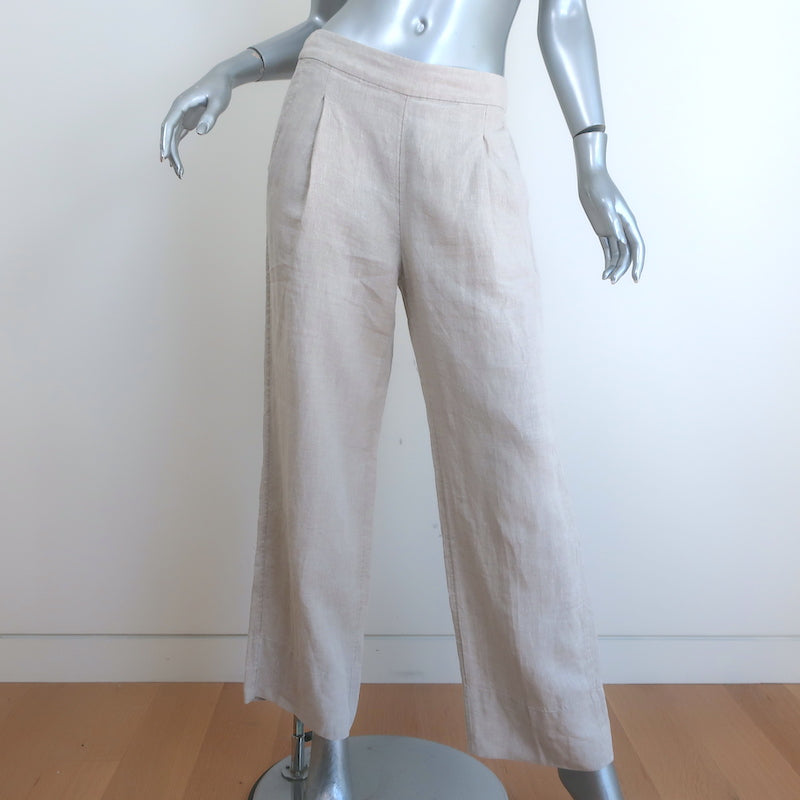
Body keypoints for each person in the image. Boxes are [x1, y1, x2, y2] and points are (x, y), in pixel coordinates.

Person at [161, 3, 644, 798]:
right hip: (336, 104)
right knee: (318, 435)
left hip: (466, 126)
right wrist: (234, 69)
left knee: (513, 451)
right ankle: (325, 742)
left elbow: (564, 11)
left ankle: (578, 745)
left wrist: (592, 158)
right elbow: (328, 17)